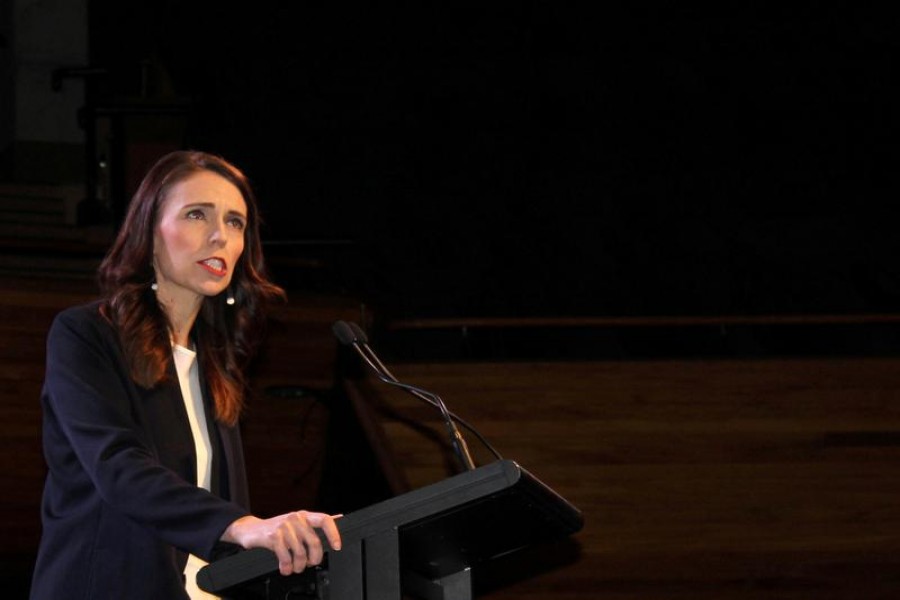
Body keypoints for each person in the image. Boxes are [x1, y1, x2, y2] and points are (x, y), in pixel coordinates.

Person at [29, 150, 342, 600]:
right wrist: (243, 526)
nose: (220, 236)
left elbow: (220, 511)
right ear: (150, 232)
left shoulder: (215, 361)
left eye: (236, 223)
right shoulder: (86, 335)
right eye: (198, 214)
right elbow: (119, 468)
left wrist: (294, 536)